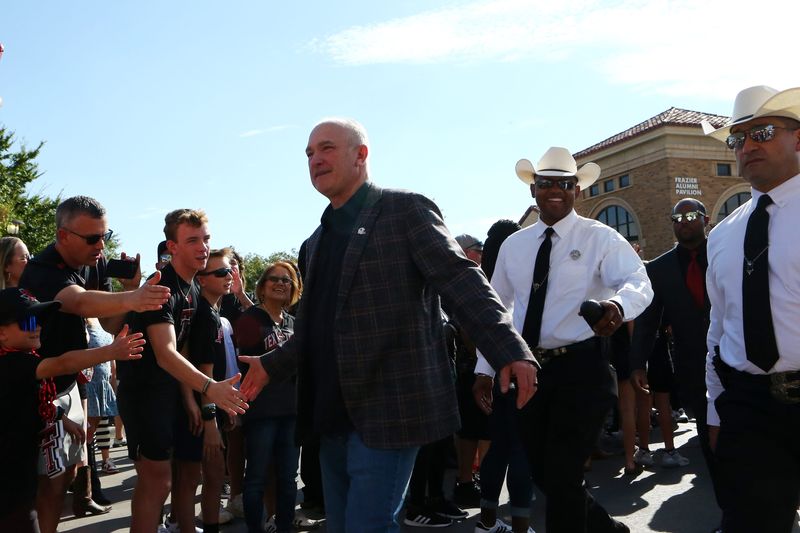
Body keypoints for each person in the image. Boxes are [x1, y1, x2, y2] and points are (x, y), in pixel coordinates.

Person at [239, 118, 538, 533]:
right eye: (309, 153)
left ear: (361, 155)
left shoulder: (405, 210)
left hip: (390, 411)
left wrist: (508, 347)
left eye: (326, 148)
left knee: (369, 525)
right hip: (330, 416)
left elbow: (461, 280)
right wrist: (272, 364)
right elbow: (317, 327)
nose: (315, 159)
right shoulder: (315, 242)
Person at [476, 147, 653, 532]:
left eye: (564, 184)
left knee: (562, 474)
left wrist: (618, 306)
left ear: (578, 190)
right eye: (545, 183)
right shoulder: (515, 245)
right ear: (533, 191)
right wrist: (485, 368)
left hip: (582, 369)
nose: (555, 190)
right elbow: (498, 310)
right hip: (529, 374)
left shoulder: (600, 238)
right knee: (546, 476)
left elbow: (639, 282)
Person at [18, 195, 171, 533]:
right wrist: (133, 297)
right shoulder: (41, 270)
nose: (101, 245)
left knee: (68, 472)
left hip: (70, 383)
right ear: (63, 236)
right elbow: (77, 301)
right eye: (92, 238)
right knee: (45, 481)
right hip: (38, 385)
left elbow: (110, 324)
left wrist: (129, 288)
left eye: (105, 235)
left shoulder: (94, 260)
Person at [700, 85, 800, 533]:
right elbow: (720, 326)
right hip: (749, 406)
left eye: (761, 131)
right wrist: (717, 409)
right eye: (737, 139)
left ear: (798, 138)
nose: (747, 146)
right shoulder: (722, 235)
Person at [116, 208, 248, 533]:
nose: (203, 247)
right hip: (143, 394)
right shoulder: (162, 288)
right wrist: (210, 389)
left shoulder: (190, 287)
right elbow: (165, 354)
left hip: (164, 395)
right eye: (192, 240)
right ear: (172, 247)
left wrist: (192, 400)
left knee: (171, 479)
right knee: (157, 482)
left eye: (206, 239)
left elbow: (183, 350)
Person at [0, 287, 144, 533]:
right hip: (10, 483)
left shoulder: (21, 359)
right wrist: (110, 351)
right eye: (27, 320)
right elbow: (63, 363)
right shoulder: (12, 363)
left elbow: (28, 403)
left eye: (39, 320)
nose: (37, 326)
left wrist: (63, 419)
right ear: (1, 333)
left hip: (19, 478)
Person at [629, 200, 711, 480]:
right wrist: (638, 363)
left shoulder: (725, 253)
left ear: (706, 219)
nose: (682, 222)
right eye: (676, 217)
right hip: (693, 362)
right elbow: (647, 320)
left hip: (737, 355)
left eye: (690, 216)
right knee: (706, 428)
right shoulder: (660, 268)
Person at [236, 262, 302, 533]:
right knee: (256, 479)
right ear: (262, 286)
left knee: (288, 479)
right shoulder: (250, 319)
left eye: (287, 280)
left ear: (293, 289)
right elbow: (242, 366)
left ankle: (284, 526)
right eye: (274, 279)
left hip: (291, 412)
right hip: (261, 412)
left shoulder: (295, 324)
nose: (280, 283)